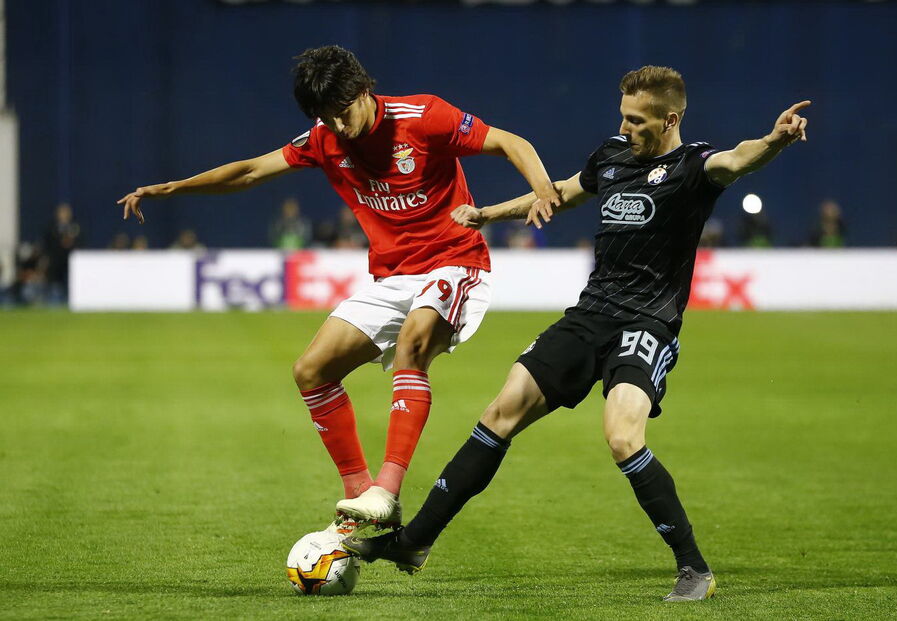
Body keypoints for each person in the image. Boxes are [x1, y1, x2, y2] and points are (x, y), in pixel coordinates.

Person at [343, 66, 810, 602]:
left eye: (637, 121)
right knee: (500, 413)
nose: (626, 128)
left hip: (646, 323)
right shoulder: (611, 156)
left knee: (622, 437)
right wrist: (488, 214)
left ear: (670, 119)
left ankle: (694, 569)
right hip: (590, 315)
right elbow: (561, 193)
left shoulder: (692, 166)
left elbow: (737, 158)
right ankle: (414, 542)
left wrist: (774, 140)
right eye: (623, 117)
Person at [117, 45, 560, 529]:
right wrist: (172, 188)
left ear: (364, 90)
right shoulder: (324, 137)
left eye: (343, 112)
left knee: (415, 342)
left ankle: (387, 492)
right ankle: (359, 495)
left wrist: (541, 188)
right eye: (326, 117)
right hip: (394, 276)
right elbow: (249, 172)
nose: (339, 127)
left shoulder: (424, 116)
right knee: (311, 370)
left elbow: (511, 142)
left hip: (456, 262)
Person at [43, 202, 82, 304]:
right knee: (55, 284)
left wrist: (71, 243)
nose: (64, 215)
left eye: (66, 213)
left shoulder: (75, 227)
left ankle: (69, 301)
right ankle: (54, 302)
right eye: (62, 212)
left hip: (71, 261)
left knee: (71, 283)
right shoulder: (52, 228)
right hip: (56, 261)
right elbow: (47, 243)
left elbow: (81, 242)